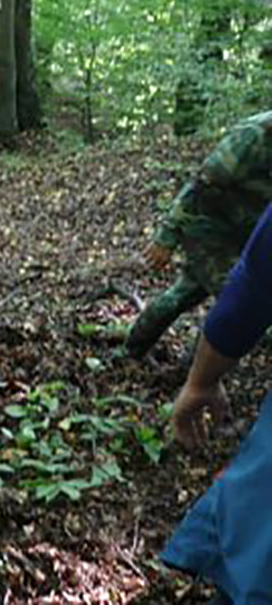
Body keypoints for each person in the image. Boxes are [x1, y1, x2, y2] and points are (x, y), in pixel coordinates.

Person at [161, 202, 272, 603]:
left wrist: (202, 379)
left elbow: (255, 283)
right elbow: (202, 188)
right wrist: (168, 235)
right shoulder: (245, 145)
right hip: (210, 232)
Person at [126, 111, 272, 357]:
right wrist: (167, 235)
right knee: (234, 297)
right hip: (207, 228)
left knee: (183, 294)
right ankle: (199, 378)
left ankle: (132, 350)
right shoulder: (253, 136)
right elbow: (200, 184)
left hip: (244, 229)